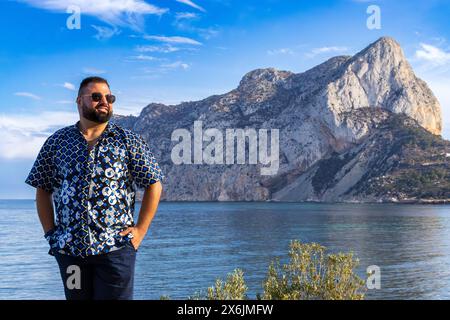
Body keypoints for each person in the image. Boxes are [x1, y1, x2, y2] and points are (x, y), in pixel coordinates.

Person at [25, 76, 164, 300]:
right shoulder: (57, 142)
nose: (104, 102)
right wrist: (51, 235)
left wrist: (140, 231)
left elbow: (153, 183)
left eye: (109, 97)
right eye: (96, 96)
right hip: (70, 254)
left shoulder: (128, 141)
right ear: (79, 101)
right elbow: (42, 189)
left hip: (116, 251)